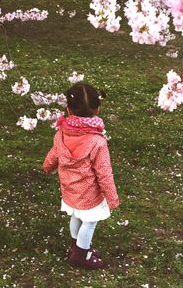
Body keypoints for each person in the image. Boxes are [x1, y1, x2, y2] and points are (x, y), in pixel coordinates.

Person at [43, 83, 119, 270]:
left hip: (70, 189)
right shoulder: (97, 141)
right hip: (89, 193)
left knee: (76, 216)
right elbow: (104, 172)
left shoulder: (62, 133)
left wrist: (48, 167)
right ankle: (81, 254)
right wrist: (112, 197)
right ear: (97, 108)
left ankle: (76, 247)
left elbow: (54, 154)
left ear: (68, 109)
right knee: (90, 221)